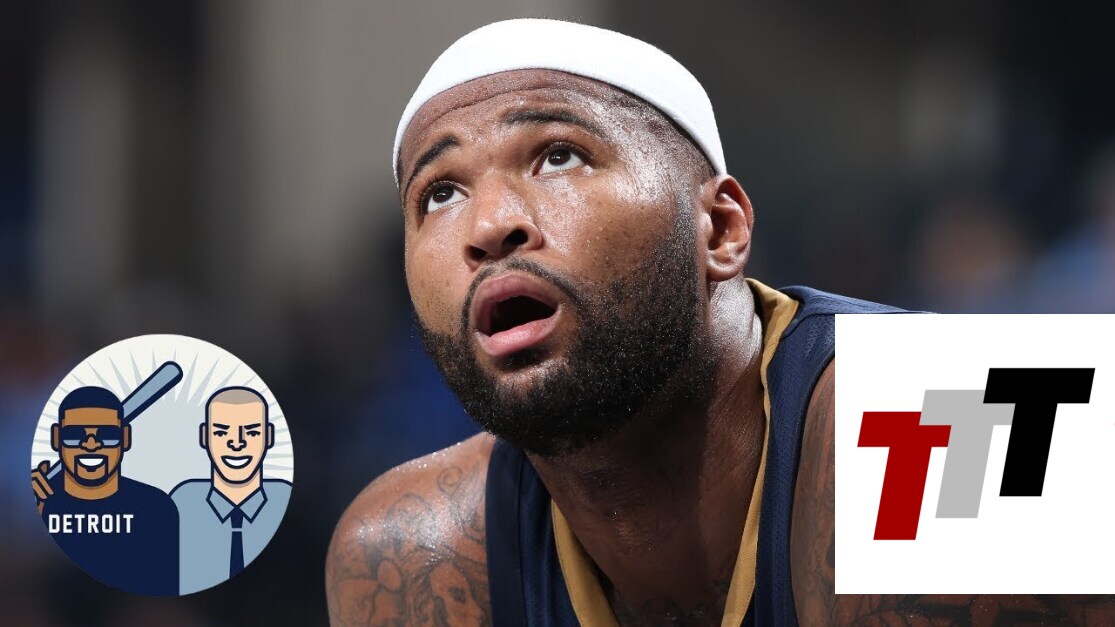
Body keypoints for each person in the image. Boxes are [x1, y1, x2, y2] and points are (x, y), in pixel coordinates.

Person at [326, 19, 1115, 626]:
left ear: (721, 228)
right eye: (439, 193)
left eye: (559, 155)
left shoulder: (976, 423)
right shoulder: (412, 553)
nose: (489, 224)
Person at [30, 386, 178, 595]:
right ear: (56, 437)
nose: (91, 445)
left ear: (125, 438)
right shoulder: (40, 504)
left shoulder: (156, 507)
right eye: (75, 435)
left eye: (107, 434)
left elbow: (161, 587)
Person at [171, 386, 292, 594]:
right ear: (204, 436)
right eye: (221, 432)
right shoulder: (181, 504)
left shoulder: (288, 506)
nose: (237, 443)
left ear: (269, 436)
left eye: (252, 432)